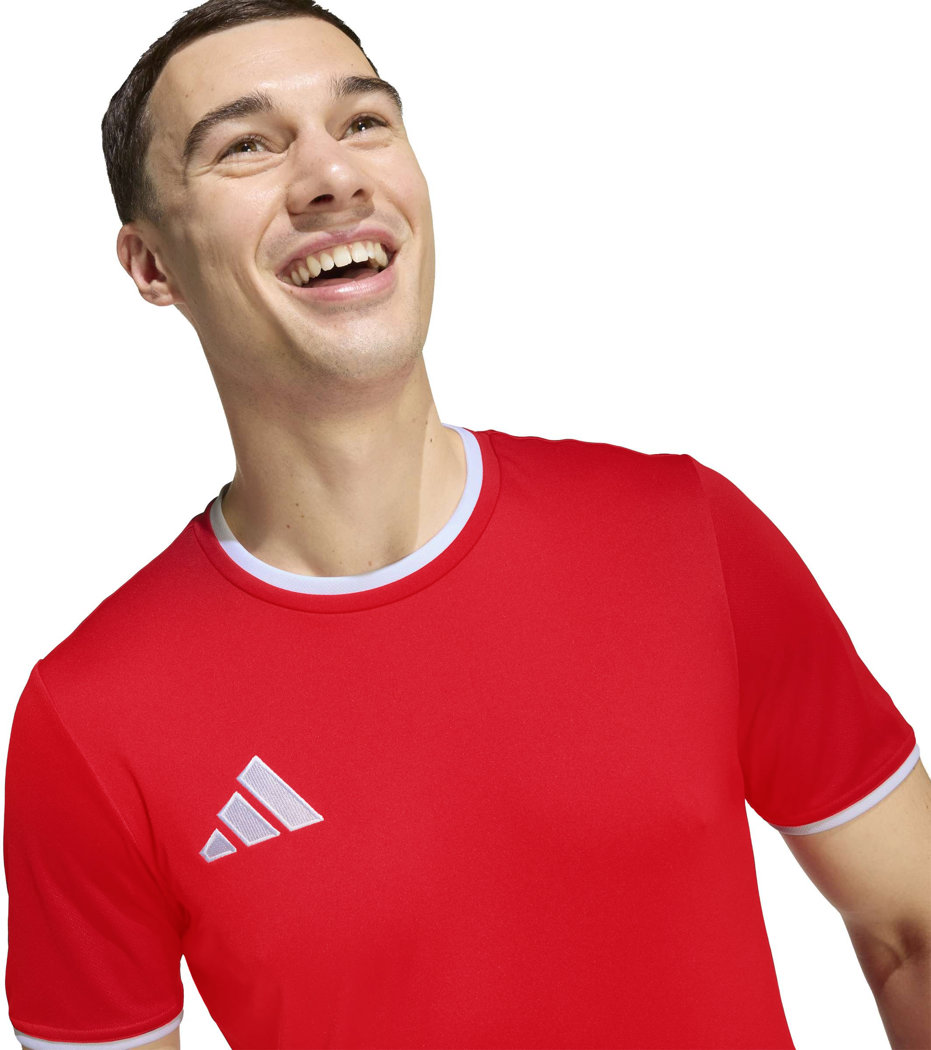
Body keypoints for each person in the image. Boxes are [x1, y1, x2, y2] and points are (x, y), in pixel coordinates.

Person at [4, 1, 930, 1048]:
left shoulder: (685, 539)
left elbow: (914, 928)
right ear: (152, 266)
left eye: (363, 123)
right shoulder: (90, 723)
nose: (332, 174)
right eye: (247, 146)